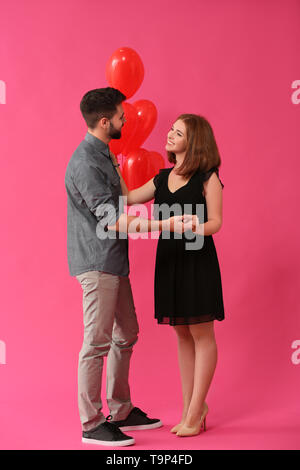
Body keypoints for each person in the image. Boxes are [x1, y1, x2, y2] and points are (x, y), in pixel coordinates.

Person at [64, 88, 192, 447]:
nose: (126, 120)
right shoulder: (85, 163)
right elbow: (114, 220)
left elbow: (122, 197)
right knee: (96, 342)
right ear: (105, 122)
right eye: (122, 116)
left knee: (127, 332)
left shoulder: (105, 152)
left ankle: (120, 410)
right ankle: (91, 424)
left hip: (115, 261)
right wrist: (167, 224)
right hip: (97, 262)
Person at [108, 113, 225, 438]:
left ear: (195, 141)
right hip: (169, 261)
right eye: (172, 130)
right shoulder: (161, 178)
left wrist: (192, 228)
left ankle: (195, 409)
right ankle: (192, 407)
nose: (170, 135)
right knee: (182, 335)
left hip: (196, 260)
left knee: (202, 336)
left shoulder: (207, 178)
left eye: (178, 132)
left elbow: (216, 221)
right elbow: (128, 198)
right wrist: (115, 167)